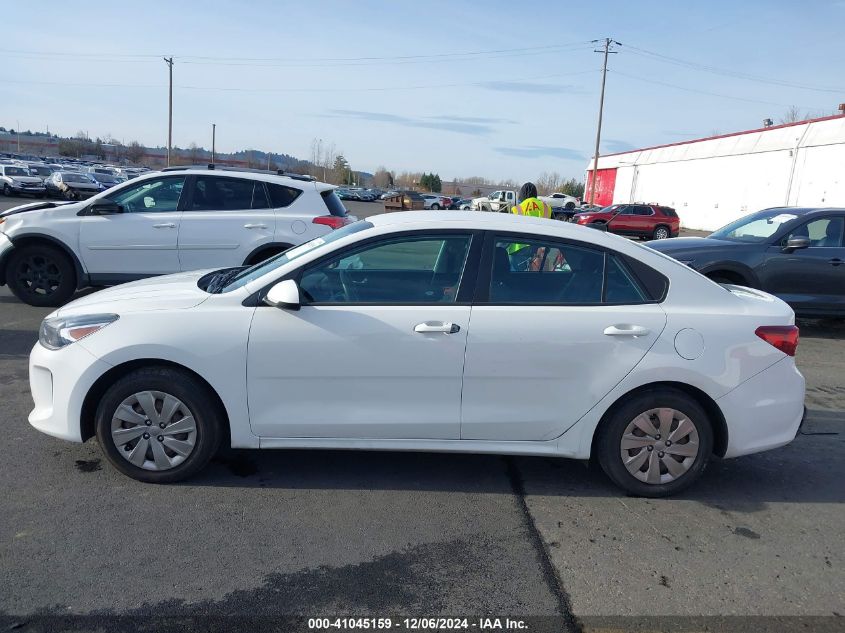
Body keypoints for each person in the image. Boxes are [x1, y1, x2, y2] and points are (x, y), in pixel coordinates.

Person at [507, 182, 553, 268]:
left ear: (521, 195)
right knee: (535, 278)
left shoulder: (516, 209)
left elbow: (507, 231)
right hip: (541, 249)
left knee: (515, 278)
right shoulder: (547, 207)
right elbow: (555, 230)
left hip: (518, 250)